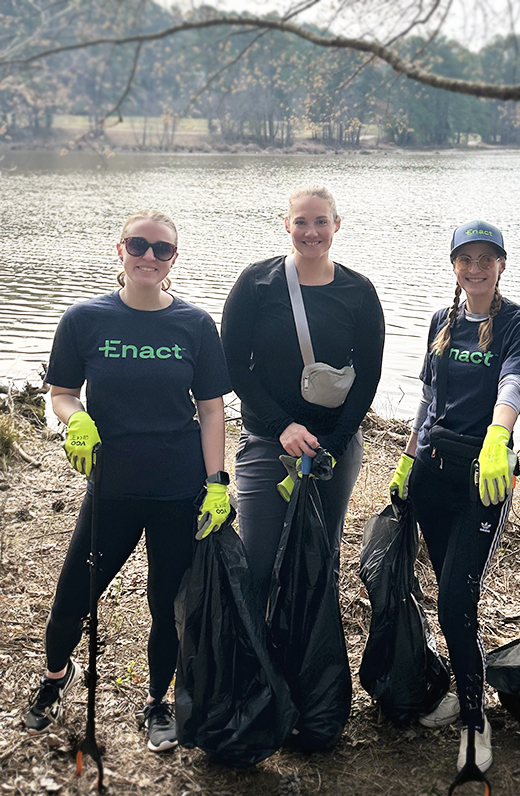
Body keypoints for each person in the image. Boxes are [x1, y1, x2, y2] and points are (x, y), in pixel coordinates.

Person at [25, 210, 232, 753]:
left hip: (178, 490)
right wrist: (77, 419)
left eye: (161, 249)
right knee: (74, 597)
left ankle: (159, 702)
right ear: (119, 250)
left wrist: (217, 482)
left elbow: (212, 411)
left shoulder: (194, 325)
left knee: (166, 606)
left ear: (173, 261)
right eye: (138, 245)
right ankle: (54, 678)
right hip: (112, 487)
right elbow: (62, 392)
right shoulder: (84, 319)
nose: (148, 256)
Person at [389, 220, 520, 773]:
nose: (475, 269)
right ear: (454, 265)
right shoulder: (441, 320)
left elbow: (514, 382)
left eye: (486, 259)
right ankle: (466, 685)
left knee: (457, 599)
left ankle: (474, 714)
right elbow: (429, 397)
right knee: (447, 592)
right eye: (465, 259)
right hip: (433, 470)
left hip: (484, 477)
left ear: (501, 264)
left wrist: (500, 437)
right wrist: (408, 458)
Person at [221, 184, 384, 609]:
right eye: (301, 222)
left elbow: (368, 375)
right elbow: (235, 365)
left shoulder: (359, 291)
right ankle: (257, 668)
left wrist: (335, 442)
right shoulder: (257, 282)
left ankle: (308, 668)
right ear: (287, 225)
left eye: (321, 222)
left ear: (337, 225)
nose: (311, 232)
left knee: (319, 562)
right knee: (257, 563)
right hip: (266, 444)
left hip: (334, 447)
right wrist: (283, 427)